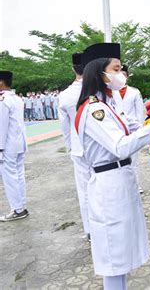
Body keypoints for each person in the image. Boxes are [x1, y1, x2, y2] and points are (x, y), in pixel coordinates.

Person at [75, 43, 150, 290]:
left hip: (119, 182)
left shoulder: (107, 106)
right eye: (116, 68)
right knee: (113, 259)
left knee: (121, 256)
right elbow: (121, 146)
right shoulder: (94, 110)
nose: (121, 73)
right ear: (101, 73)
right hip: (108, 186)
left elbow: (131, 131)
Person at [58, 52, 91, 241]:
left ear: (73, 69)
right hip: (102, 148)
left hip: (79, 149)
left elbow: (65, 128)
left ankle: (90, 230)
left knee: (85, 191)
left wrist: (71, 147)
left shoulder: (65, 96)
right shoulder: (98, 91)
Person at [107, 64, 146, 194]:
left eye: (123, 74)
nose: (120, 77)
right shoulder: (111, 92)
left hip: (133, 129)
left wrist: (140, 130)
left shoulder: (134, 92)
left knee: (134, 160)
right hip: (118, 131)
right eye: (118, 74)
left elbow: (139, 112)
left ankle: (136, 185)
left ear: (127, 76)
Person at [0, 71, 29, 221]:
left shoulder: (3, 100)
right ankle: (21, 205)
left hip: (8, 145)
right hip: (19, 142)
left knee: (10, 177)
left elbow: (1, 126)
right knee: (18, 175)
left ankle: (17, 209)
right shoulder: (17, 99)